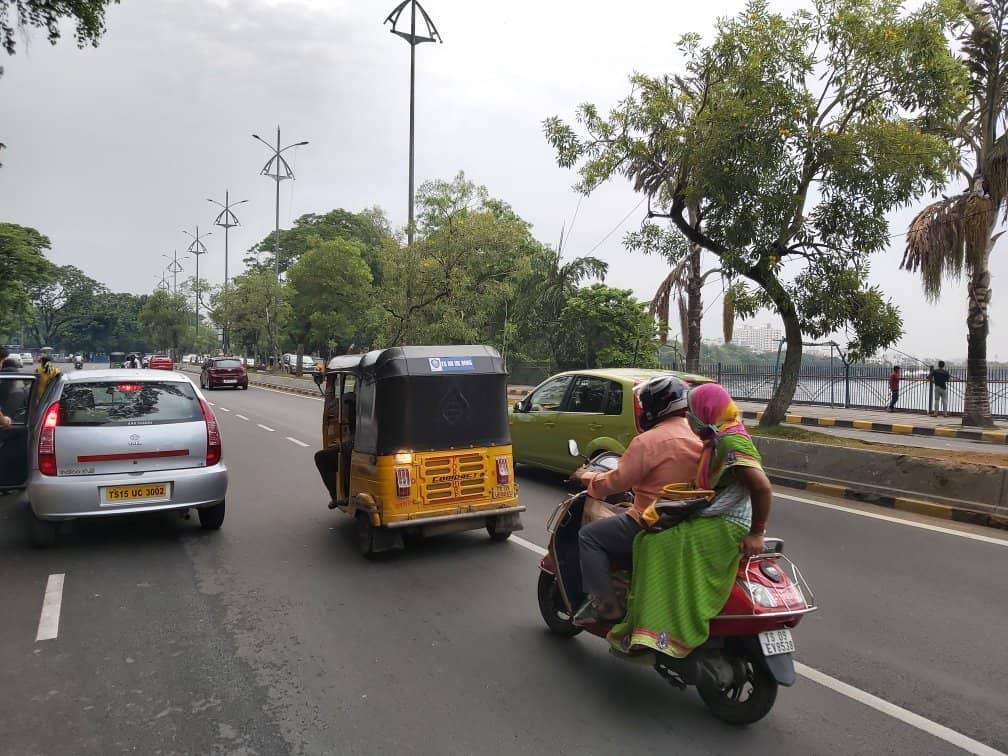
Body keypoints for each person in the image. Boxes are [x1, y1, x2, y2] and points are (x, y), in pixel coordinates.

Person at [607, 382, 774, 658]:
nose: (689, 419)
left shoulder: (731, 441)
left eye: (692, 413)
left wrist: (757, 533)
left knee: (652, 544)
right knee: (649, 538)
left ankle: (658, 631)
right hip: (715, 515)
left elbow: (762, 487)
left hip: (726, 523)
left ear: (705, 412)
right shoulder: (718, 438)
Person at [572, 376, 703, 624]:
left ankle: (606, 605)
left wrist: (588, 478)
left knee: (590, 536)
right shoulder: (702, 439)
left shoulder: (648, 441)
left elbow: (617, 481)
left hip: (649, 519)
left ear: (654, 407)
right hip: (689, 520)